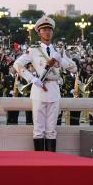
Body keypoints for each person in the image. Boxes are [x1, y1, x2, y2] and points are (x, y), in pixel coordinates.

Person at [13, 15, 76, 152]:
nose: (47, 32)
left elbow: (74, 68)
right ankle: (40, 161)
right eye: (44, 30)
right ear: (39, 33)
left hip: (54, 89)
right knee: (39, 129)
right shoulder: (34, 50)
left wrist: (61, 61)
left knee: (52, 129)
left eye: (49, 30)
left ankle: (51, 160)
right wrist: (32, 79)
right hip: (39, 89)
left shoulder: (58, 51)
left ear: (52, 32)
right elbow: (17, 64)